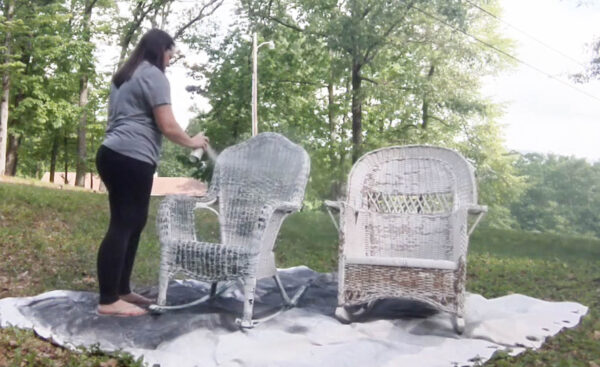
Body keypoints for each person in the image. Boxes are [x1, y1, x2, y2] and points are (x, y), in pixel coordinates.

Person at [95, 29, 208, 317]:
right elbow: (168, 126)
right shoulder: (154, 76)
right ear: (161, 50)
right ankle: (108, 300)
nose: (170, 60)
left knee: (132, 221)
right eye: (170, 54)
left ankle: (121, 290)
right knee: (123, 223)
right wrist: (193, 141)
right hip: (131, 158)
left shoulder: (124, 76)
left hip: (113, 155)